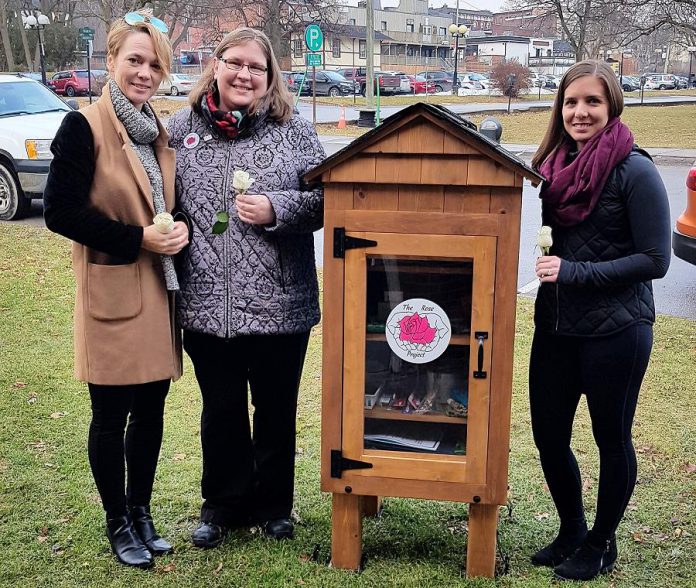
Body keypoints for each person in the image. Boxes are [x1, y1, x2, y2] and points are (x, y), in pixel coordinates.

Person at [167, 28, 325, 548]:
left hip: (281, 302)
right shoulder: (180, 130)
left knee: (276, 409)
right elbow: (162, 198)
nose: (244, 75)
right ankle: (223, 504)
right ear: (215, 65)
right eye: (235, 63)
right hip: (209, 301)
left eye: (256, 68)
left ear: (269, 76)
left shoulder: (295, 133)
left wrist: (279, 208)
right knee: (222, 409)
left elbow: (328, 200)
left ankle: (275, 504)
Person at [43, 10, 189, 569]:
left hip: (158, 288)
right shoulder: (83, 126)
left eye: (155, 64)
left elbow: (164, 207)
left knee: (151, 410)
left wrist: (176, 230)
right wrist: (138, 239)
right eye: (134, 60)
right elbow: (59, 212)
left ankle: (142, 510)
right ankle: (117, 521)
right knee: (111, 415)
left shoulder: (157, 129)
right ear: (111, 61)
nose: (144, 72)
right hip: (113, 288)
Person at [528, 60, 670, 581]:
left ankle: (601, 542)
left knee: (612, 439)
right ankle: (571, 529)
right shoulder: (553, 168)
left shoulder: (636, 169)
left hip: (617, 331)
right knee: (548, 435)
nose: (579, 112)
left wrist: (575, 271)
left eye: (592, 101)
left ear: (611, 105)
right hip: (557, 329)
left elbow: (656, 260)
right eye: (571, 101)